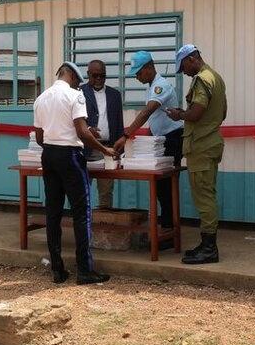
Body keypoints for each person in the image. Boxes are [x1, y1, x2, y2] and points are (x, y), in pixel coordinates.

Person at [33, 62, 117, 285]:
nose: (78, 84)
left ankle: (57, 269)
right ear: (70, 75)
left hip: (49, 156)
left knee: (53, 213)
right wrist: (104, 149)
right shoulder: (75, 96)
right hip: (70, 157)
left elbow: (40, 138)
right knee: (82, 213)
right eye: (77, 80)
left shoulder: (41, 98)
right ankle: (85, 270)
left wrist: (58, 143)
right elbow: (81, 132)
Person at [113, 51, 184, 242]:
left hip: (172, 139)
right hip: (161, 139)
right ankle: (166, 228)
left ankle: (169, 233)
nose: (136, 77)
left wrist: (126, 135)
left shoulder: (161, 86)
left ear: (149, 67)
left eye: (138, 72)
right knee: (161, 187)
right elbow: (155, 119)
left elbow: (147, 112)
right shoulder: (152, 87)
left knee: (166, 186)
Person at [166, 44, 227, 265]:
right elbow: (223, 112)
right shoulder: (216, 77)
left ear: (192, 59)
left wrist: (179, 115)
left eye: (183, 67)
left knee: (204, 198)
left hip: (202, 146)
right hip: (209, 143)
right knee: (206, 194)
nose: (183, 72)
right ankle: (206, 243)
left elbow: (197, 112)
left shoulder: (202, 79)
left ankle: (210, 249)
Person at [80, 59, 124, 208]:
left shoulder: (115, 95)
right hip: (85, 149)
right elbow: (72, 120)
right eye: (95, 75)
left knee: (106, 191)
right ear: (88, 74)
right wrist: (87, 129)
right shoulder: (79, 93)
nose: (99, 79)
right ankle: (83, 221)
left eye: (102, 75)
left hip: (108, 149)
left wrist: (120, 152)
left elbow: (119, 123)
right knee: (82, 190)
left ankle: (104, 220)